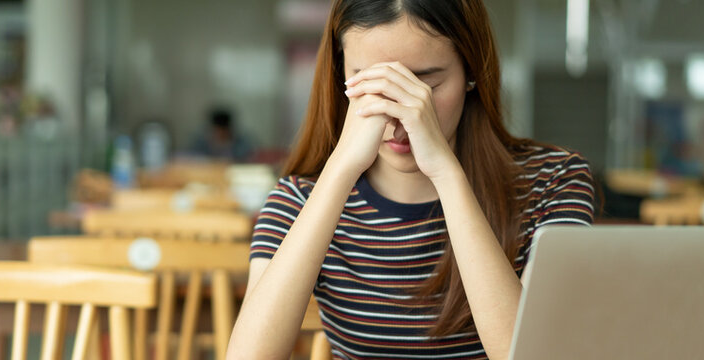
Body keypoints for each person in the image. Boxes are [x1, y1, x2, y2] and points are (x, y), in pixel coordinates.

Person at [227, 0, 596, 358]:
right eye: (370, 85)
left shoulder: (553, 181)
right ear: (341, 76)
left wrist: (446, 173)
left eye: (425, 86)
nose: (399, 115)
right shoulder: (300, 199)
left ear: (471, 72)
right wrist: (339, 170)